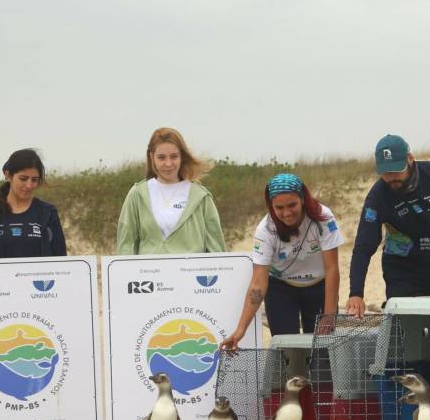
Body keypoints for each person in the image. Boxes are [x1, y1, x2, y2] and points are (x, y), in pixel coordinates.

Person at [346, 134, 430, 317]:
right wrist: (356, 293)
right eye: (385, 173)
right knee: (406, 333)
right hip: (402, 271)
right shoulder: (377, 197)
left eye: (396, 171)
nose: (391, 178)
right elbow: (363, 247)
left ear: (410, 159)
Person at [220, 174, 343, 348]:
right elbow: (258, 284)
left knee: (322, 351)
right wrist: (240, 330)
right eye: (279, 207)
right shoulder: (265, 230)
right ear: (271, 206)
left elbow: (332, 268)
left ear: (302, 199)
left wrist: (329, 315)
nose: (286, 213)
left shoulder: (323, 217)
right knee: (287, 350)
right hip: (281, 289)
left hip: (318, 286)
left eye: (292, 205)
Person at [117, 127, 225, 255]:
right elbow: (126, 246)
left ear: (182, 157)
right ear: (152, 157)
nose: (168, 164)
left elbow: (217, 250)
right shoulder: (137, 194)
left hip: (191, 274)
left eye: (174, 157)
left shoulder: (201, 197)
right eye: (161, 157)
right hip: (149, 274)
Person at [0, 149, 67, 258]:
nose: (29, 185)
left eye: (34, 180)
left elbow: (61, 258)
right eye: (23, 179)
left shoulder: (47, 213)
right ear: (8, 175)